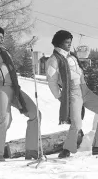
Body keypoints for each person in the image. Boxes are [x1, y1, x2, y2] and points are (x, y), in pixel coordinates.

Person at [0, 26, 41, 162]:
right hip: (1, 88)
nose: (2, 39)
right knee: (5, 120)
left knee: (35, 114)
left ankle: (31, 151)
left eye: (3, 37)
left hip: (15, 88)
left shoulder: (6, 53)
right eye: (0, 37)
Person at [46, 30, 98, 158]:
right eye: (66, 42)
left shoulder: (72, 56)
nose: (69, 44)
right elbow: (52, 81)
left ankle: (96, 146)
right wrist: (60, 97)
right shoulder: (54, 60)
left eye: (70, 42)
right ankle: (67, 149)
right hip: (73, 92)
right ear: (59, 43)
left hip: (84, 89)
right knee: (76, 123)